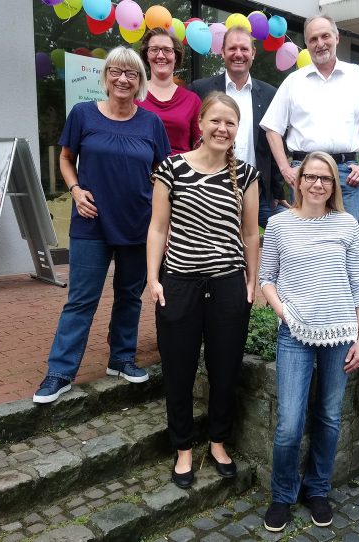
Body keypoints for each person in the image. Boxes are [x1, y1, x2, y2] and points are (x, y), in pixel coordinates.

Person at [33, 47, 170, 404]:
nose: (123, 79)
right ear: (105, 76)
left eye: (131, 74)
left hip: (137, 223)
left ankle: (121, 358)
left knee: (129, 295)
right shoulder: (83, 115)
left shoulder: (151, 123)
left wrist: (160, 214)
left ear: (139, 81)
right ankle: (60, 372)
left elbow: (162, 172)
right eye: (116, 72)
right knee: (81, 300)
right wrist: (76, 191)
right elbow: (66, 159)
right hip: (91, 223)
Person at [147, 92, 259, 489]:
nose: (222, 129)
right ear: (200, 124)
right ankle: (183, 448)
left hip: (228, 284)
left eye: (230, 123)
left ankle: (217, 441)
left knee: (224, 369)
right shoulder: (171, 168)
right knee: (178, 369)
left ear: (236, 129)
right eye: (215, 121)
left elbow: (250, 234)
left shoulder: (246, 175)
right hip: (179, 282)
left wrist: (251, 282)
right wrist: (153, 278)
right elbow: (158, 228)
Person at [259, 152, 359, 532]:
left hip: (340, 333)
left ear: (334, 185)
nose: (318, 184)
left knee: (329, 416)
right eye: (311, 177)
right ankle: (282, 495)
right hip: (295, 333)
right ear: (299, 180)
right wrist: (283, 313)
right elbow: (265, 278)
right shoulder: (278, 225)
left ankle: (317, 489)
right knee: (289, 423)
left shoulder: (347, 224)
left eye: (326, 178)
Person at [260, 14, 359, 220]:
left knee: (345, 240)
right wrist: (285, 169)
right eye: (313, 39)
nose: (320, 43)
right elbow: (272, 129)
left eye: (325, 36)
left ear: (337, 37)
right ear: (307, 44)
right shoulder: (293, 82)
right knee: (305, 241)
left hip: (347, 176)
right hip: (305, 173)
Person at [189, 26, 288, 227]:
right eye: (232, 48)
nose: (238, 54)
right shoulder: (201, 89)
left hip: (258, 191)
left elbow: (275, 144)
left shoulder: (270, 94)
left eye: (244, 49)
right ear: (222, 52)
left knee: (288, 230)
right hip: (211, 188)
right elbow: (191, 137)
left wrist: (277, 191)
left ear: (253, 53)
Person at [138, 27, 201, 154]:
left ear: (176, 57)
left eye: (167, 50)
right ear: (147, 56)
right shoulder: (134, 94)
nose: (160, 56)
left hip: (180, 172)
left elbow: (200, 148)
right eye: (154, 50)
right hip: (140, 171)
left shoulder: (192, 101)